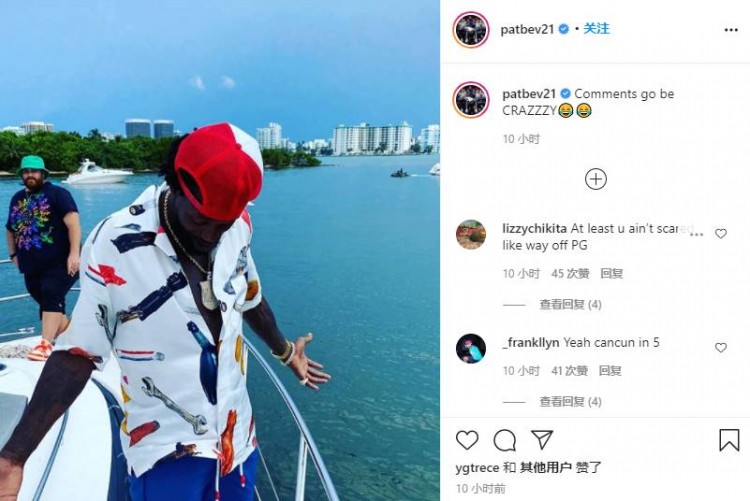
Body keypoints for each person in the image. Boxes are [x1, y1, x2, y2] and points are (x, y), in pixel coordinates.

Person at [0, 123, 331, 500]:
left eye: (222, 225)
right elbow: (79, 353)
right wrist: (14, 456)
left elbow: (249, 295)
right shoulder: (114, 242)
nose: (210, 236)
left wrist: (285, 352)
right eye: (200, 220)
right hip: (165, 452)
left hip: (236, 441)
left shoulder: (238, 226)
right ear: (176, 184)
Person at [5, 155, 81, 361]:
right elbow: (10, 229)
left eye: (34, 171)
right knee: (45, 300)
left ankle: (45, 344)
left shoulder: (58, 194)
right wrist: (13, 254)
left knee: (51, 294)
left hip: (61, 261)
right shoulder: (17, 198)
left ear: (43, 174)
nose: (30, 175)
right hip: (31, 263)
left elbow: (73, 224)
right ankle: (72, 337)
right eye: (26, 171)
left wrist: (74, 254)